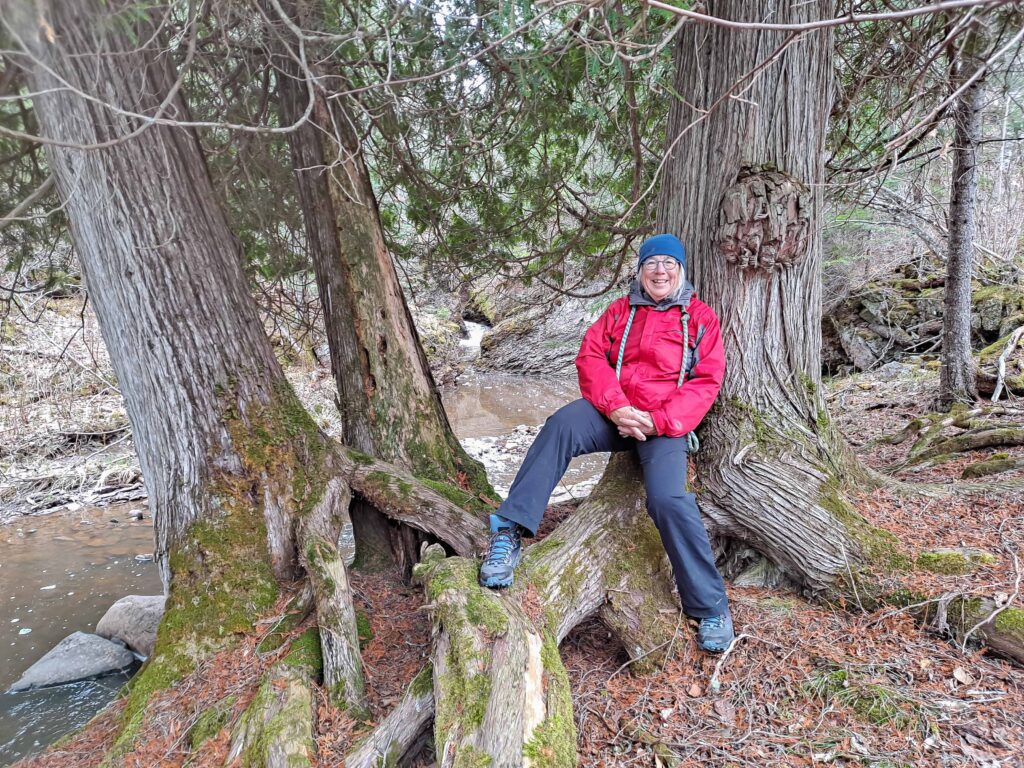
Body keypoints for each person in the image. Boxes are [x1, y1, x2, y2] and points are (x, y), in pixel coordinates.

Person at [477, 233, 734, 652]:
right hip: (613, 414)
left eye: (669, 264)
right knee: (560, 426)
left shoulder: (701, 318)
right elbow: (591, 358)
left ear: (681, 271)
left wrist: (658, 420)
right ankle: (507, 534)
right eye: (652, 264)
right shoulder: (620, 311)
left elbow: (707, 381)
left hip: (663, 426)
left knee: (669, 500)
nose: (660, 271)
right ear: (640, 271)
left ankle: (709, 606)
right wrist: (615, 408)